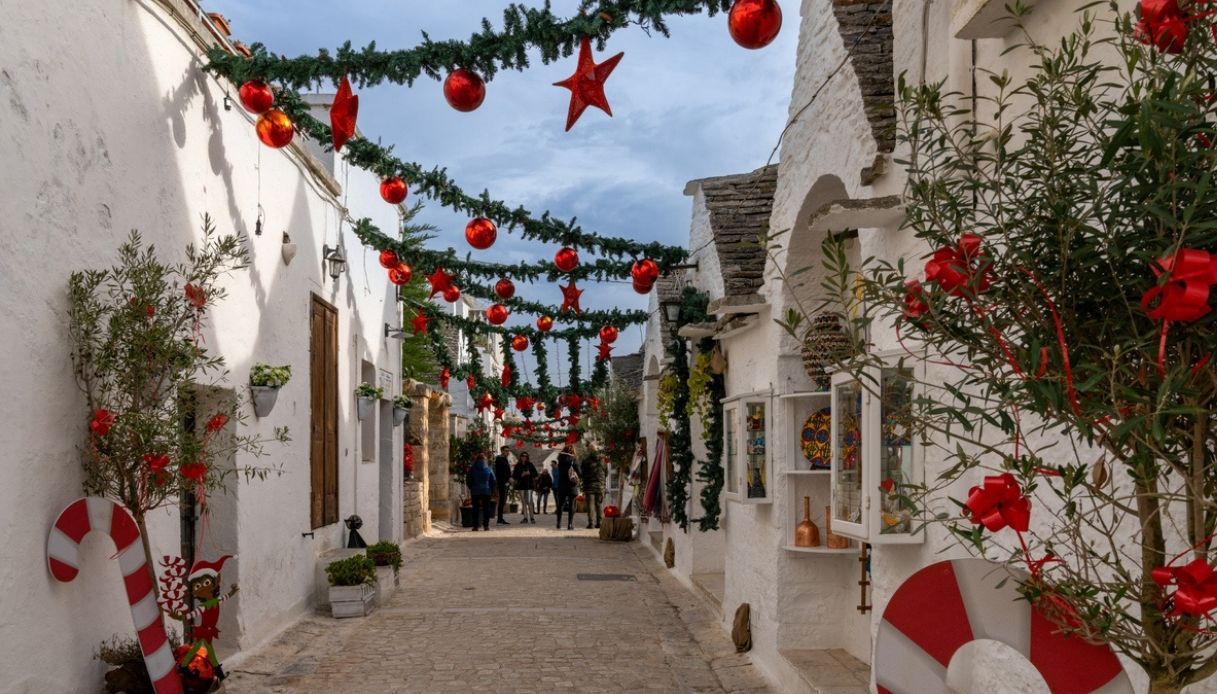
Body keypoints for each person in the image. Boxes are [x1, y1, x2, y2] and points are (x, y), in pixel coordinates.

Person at [466, 451, 495, 532]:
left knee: (475, 509)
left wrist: (471, 487)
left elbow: (468, 480)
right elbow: (493, 480)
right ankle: (486, 526)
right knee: (486, 509)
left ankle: (475, 526)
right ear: (485, 459)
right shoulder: (489, 468)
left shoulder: (472, 469)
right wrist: (491, 489)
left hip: (475, 491)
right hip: (486, 490)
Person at [581, 445, 606, 529]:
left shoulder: (586, 461)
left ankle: (591, 523)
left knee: (590, 506)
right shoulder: (602, 461)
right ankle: (600, 523)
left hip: (589, 486)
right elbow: (606, 473)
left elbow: (582, 474)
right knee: (599, 505)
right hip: (600, 486)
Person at [555, 444, 579, 530]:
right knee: (571, 505)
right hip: (571, 485)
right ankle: (570, 524)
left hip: (561, 485)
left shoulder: (560, 459)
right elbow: (579, 472)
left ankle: (558, 523)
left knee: (560, 505)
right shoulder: (573, 459)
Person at [512, 452, 538, 524]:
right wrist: (521, 475)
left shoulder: (530, 464)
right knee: (523, 502)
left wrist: (530, 473)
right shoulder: (517, 465)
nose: (524, 457)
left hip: (529, 485)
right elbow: (514, 476)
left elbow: (536, 475)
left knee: (529, 502)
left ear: (527, 457)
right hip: (521, 486)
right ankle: (525, 518)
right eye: (522, 456)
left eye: (525, 456)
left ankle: (532, 518)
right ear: (520, 457)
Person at [493, 446, 513, 525]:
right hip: (502, 483)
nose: (507, 452)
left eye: (508, 451)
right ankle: (499, 520)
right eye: (506, 451)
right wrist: (507, 479)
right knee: (501, 501)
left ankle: (501, 519)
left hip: (506, 482)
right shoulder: (499, 459)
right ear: (502, 451)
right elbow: (501, 472)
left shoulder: (504, 459)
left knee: (503, 501)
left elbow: (507, 471)